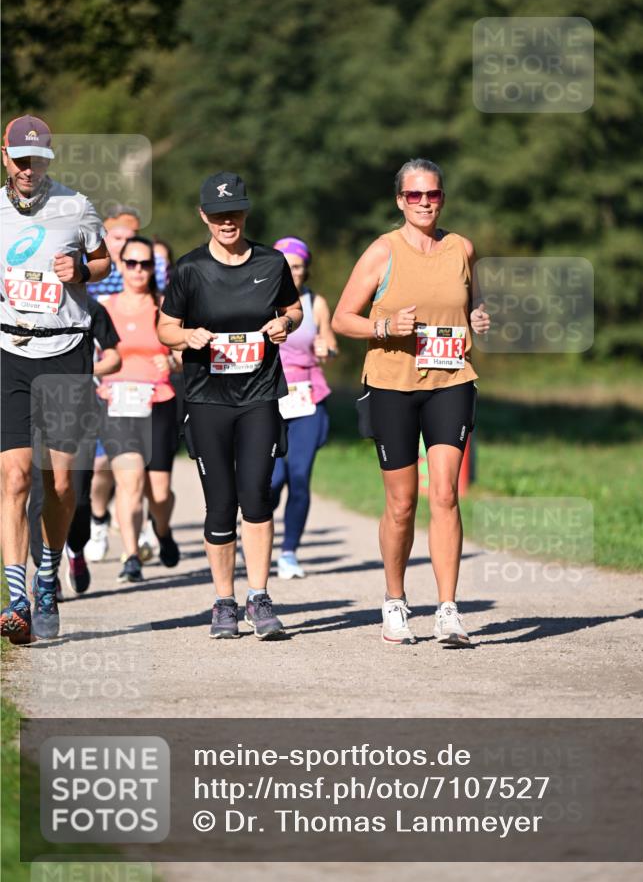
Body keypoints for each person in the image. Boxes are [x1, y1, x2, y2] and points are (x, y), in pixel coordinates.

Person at [332, 158, 490, 647]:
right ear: (400, 200)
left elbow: (473, 304)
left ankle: (448, 610)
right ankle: (395, 601)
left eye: (433, 194)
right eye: (415, 195)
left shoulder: (462, 248)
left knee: (444, 494)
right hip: (392, 386)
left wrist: (480, 318)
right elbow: (342, 318)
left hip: (451, 380)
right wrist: (384, 326)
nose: (425, 203)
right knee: (402, 504)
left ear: (443, 198)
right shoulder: (383, 251)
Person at [158, 171, 302, 640]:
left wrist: (285, 325)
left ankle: (259, 598)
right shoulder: (189, 269)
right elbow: (165, 327)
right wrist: (187, 336)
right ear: (204, 215)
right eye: (219, 214)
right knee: (220, 504)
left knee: (257, 495)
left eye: (235, 212)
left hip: (259, 395)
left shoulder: (272, 262)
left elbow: (294, 309)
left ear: (245, 213)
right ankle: (223, 602)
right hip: (207, 399)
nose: (227, 221)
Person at [0, 115, 110, 643]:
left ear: (49, 159)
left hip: (65, 351)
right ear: (4, 157)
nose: (28, 168)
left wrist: (83, 272)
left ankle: (48, 575)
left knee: (60, 482)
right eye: (20, 159)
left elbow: (104, 260)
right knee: (15, 477)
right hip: (9, 350)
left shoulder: (76, 206)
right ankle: (17, 599)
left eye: (37, 159)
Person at [97, 237, 180, 583]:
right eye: (131, 263)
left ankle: (162, 530)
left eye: (145, 264)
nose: (138, 270)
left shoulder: (165, 306)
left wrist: (172, 361)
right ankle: (131, 555)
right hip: (117, 403)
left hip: (158, 401)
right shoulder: (104, 307)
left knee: (157, 493)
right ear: (121, 265)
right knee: (128, 482)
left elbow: (183, 353)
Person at [28, 296, 122, 596]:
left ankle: (76, 549)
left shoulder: (91, 308)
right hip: (37, 411)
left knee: (77, 494)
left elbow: (114, 358)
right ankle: (46, 572)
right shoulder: (24, 305)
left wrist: (81, 373)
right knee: (41, 494)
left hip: (80, 413)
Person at [270, 236, 337, 579]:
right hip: (268, 398)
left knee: (299, 476)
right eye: (285, 266)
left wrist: (326, 349)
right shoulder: (260, 300)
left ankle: (289, 552)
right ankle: (257, 534)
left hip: (307, 398)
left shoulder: (315, 303)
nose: (292, 272)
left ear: (305, 269)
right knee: (272, 480)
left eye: (297, 266)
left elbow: (330, 344)